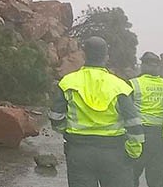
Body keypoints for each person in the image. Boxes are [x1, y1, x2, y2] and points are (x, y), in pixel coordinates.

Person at [50, 36, 144, 187]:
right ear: (106, 57)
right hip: (114, 153)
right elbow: (134, 124)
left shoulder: (68, 82)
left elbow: (55, 117)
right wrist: (133, 152)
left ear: (84, 54)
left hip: (79, 151)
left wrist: (68, 131)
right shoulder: (120, 85)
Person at [130, 52, 163, 187]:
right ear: (158, 66)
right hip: (159, 137)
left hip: (138, 136)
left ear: (143, 65)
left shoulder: (133, 84)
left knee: (132, 175)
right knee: (157, 178)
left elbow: (125, 111)